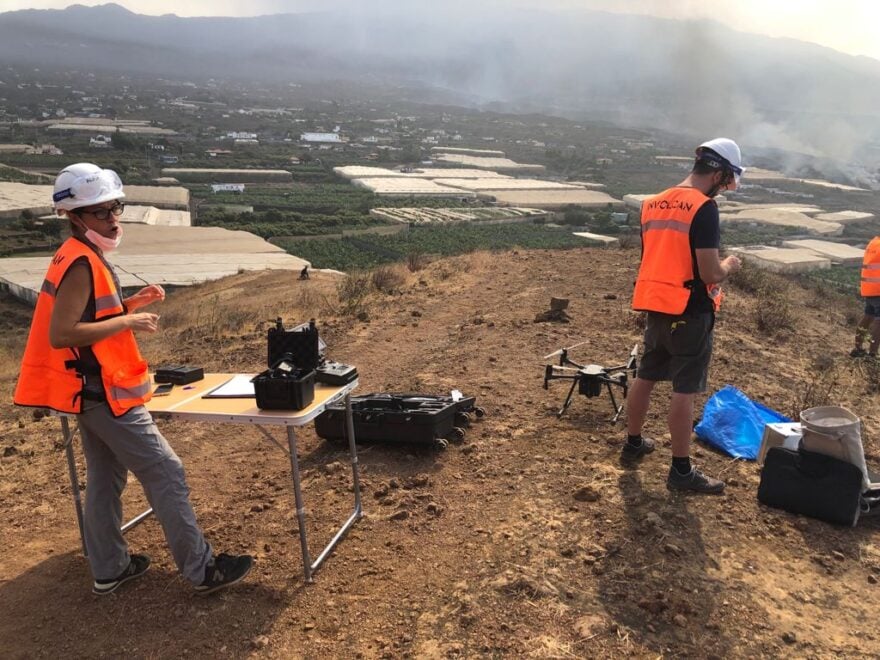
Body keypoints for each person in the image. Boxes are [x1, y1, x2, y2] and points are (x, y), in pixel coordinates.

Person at [14, 163, 253, 595]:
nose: (112, 219)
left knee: (106, 478)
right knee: (166, 471)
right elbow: (63, 333)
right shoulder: (82, 263)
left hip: (89, 391)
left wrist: (129, 305)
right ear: (74, 216)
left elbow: (92, 315)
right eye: (100, 212)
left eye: (114, 208)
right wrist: (131, 321)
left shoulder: (78, 255)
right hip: (103, 392)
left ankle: (110, 568)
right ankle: (202, 571)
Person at [623, 139, 744, 494]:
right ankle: (680, 471)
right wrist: (729, 266)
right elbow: (710, 273)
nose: (724, 188)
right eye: (726, 181)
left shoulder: (652, 203)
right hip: (690, 310)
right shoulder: (703, 208)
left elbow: (658, 256)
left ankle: (632, 443)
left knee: (646, 377)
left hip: (655, 303)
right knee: (685, 390)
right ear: (720, 173)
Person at [851, 235, 880, 358]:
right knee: (879, 321)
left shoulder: (874, 242)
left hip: (869, 288)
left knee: (868, 316)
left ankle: (857, 348)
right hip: (878, 289)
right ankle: (872, 354)